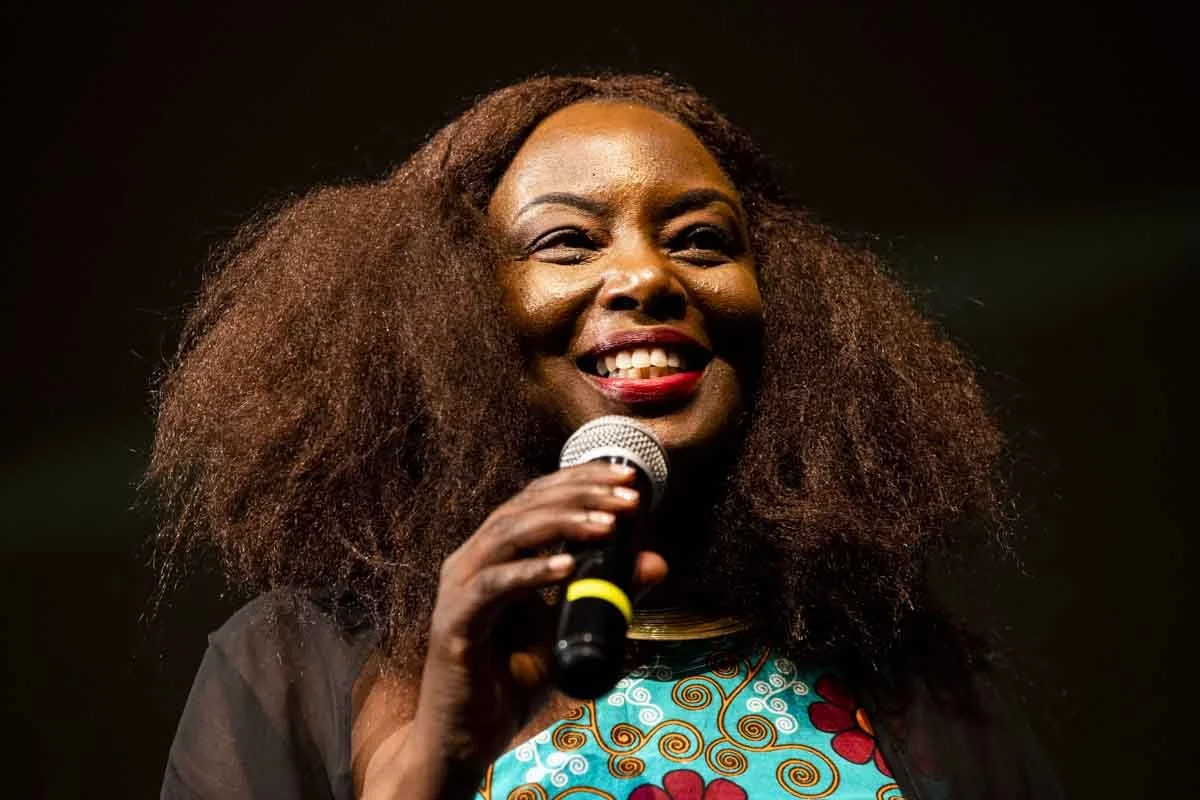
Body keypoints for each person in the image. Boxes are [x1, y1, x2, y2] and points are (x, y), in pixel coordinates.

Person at [149, 74, 1063, 799]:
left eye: (702, 240)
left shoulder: (916, 676)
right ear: (448, 310)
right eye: (567, 243)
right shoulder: (292, 666)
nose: (645, 275)